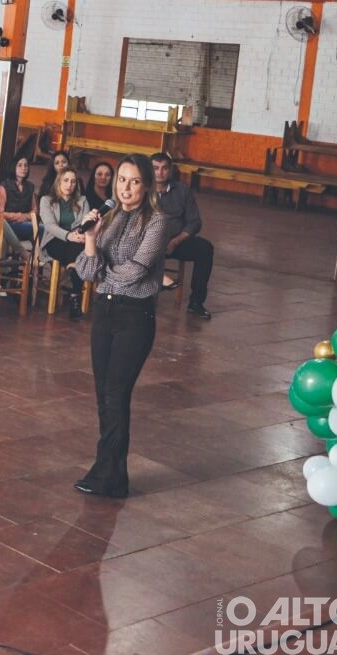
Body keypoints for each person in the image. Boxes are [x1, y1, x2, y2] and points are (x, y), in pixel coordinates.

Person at [73, 154, 168, 498]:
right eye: (122, 181)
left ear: (147, 186)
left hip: (134, 316)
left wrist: (103, 273)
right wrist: (91, 238)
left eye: (134, 181)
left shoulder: (157, 222)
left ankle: (108, 473)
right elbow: (84, 272)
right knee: (103, 395)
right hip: (104, 312)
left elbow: (137, 271)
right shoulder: (110, 217)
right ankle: (111, 473)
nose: (126, 188)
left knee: (116, 395)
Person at [152, 153, 214, 319]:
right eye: (155, 168)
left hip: (176, 242)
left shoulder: (182, 191)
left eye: (164, 168)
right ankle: (143, 296)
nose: (160, 172)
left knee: (205, 249)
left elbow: (194, 222)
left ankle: (196, 303)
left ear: (170, 170)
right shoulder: (142, 190)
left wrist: (176, 240)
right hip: (149, 243)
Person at [39, 168, 91, 320]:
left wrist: (79, 235)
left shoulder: (82, 201)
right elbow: (49, 225)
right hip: (55, 241)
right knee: (79, 254)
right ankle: (75, 295)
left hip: (77, 241)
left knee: (78, 250)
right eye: (66, 180)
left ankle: (74, 291)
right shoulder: (46, 200)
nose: (70, 184)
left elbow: (85, 223)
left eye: (73, 181)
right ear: (59, 182)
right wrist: (69, 235)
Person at [0, 155, 39, 243]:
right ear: (13, 167)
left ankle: (36, 255)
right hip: (7, 224)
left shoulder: (30, 186)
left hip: (25, 222)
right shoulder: (4, 186)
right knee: (41, 230)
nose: (23, 168)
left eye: (26, 165)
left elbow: (34, 210)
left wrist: (25, 217)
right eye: (19, 165)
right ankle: (29, 255)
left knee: (42, 230)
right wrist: (19, 216)